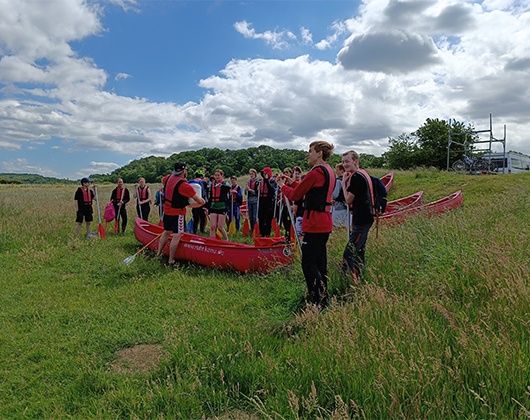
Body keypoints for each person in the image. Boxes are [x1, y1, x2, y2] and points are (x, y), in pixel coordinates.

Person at [277, 141, 335, 308]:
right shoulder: (328, 170)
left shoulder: (316, 172)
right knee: (320, 262)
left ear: (319, 154)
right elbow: (309, 188)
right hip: (324, 223)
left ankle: (318, 300)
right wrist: (292, 181)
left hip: (315, 224)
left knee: (308, 263)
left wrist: (282, 186)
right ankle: (323, 296)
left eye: (310, 151)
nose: (307, 154)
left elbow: (296, 195)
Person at [157, 162, 205, 265]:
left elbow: (163, 180)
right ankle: (171, 260)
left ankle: (158, 254)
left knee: (166, 231)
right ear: (183, 171)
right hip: (177, 213)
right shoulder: (184, 185)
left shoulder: (168, 177)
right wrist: (203, 202)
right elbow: (199, 200)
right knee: (177, 235)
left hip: (167, 210)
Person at [341, 150, 374, 283]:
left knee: (349, 252)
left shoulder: (356, 177)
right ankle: (360, 279)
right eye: (343, 162)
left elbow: (348, 199)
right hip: (366, 217)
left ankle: (348, 281)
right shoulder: (363, 173)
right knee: (360, 251)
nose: (345, 164)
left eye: (347, 161)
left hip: (361, 220)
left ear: (356, 161)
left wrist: (343, 184)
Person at [208, 169, 231, 240]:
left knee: (220, 227)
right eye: (215, 175)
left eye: (218, 175)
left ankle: (226, 240)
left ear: (222, 176)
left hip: (222, 206)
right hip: (213, 206)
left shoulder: (225, 184)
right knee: (212, 226)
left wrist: (221, 186)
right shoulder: (212, 184)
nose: (217, 177)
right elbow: (210, 197)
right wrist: (207, 207)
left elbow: (228, 187)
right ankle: (212, 242)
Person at [257, 167, 277, 237]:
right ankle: (262, 233)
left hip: (269, 202)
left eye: (266, 173)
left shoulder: (272, 181)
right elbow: (257, 193)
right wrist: (257, 189)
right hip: (262, 201)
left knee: (268, 219)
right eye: (264, 174)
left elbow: (271, 189)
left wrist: (266, 180)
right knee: (261, 218)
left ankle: (267, 234)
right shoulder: (260, 181)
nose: (264, 175)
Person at [332, 163, 349, 227]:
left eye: (337, 170)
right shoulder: (349, 180)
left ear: (342, 170)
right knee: (346, 228)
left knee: (333, 226)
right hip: (348, 207)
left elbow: (335, 195)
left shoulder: (338, 181)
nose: (336, 172)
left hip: (339, 206)